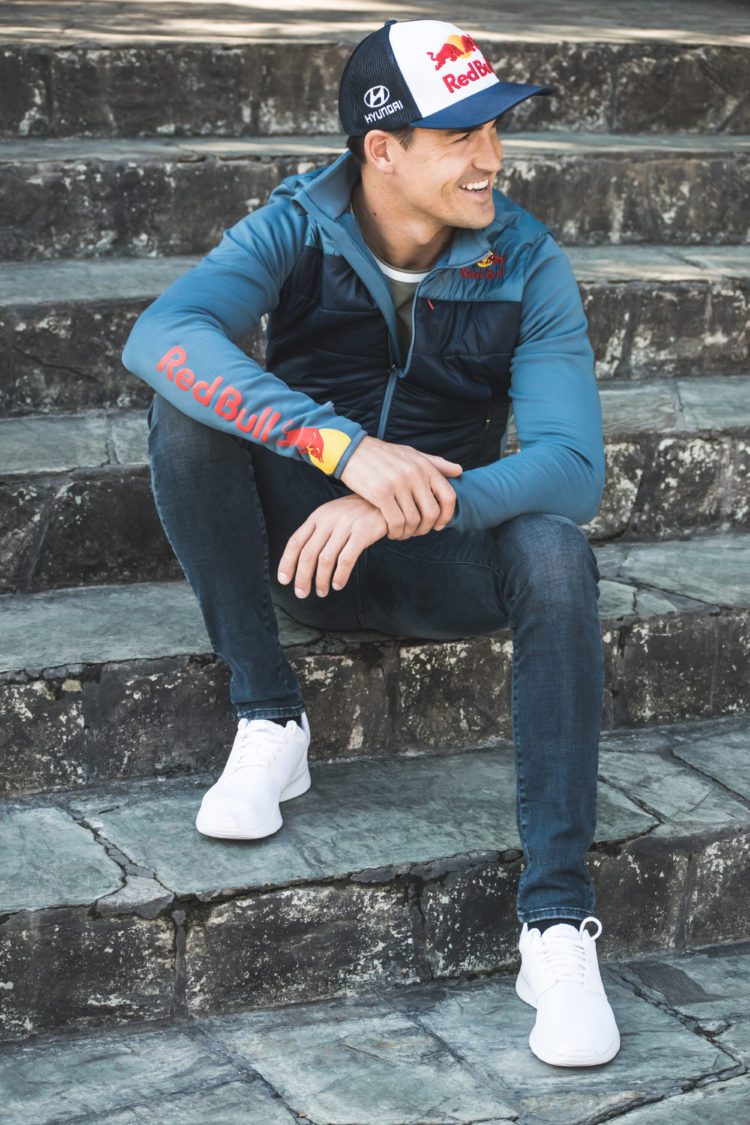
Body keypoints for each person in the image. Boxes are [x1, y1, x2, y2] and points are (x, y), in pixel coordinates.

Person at [121, 18, 619, 1068]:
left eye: (496, 129)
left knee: (554, 552)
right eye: (461, 134)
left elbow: (575, 466)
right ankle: (269, 715)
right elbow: (164, 334)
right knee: (185, 414)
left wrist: (398, 502)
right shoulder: (296, 225)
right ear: (381, 149)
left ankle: (557, 925)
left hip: (441, 556)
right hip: (299, 548)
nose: (492, 157)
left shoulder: (525, 259)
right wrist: (342, 451)